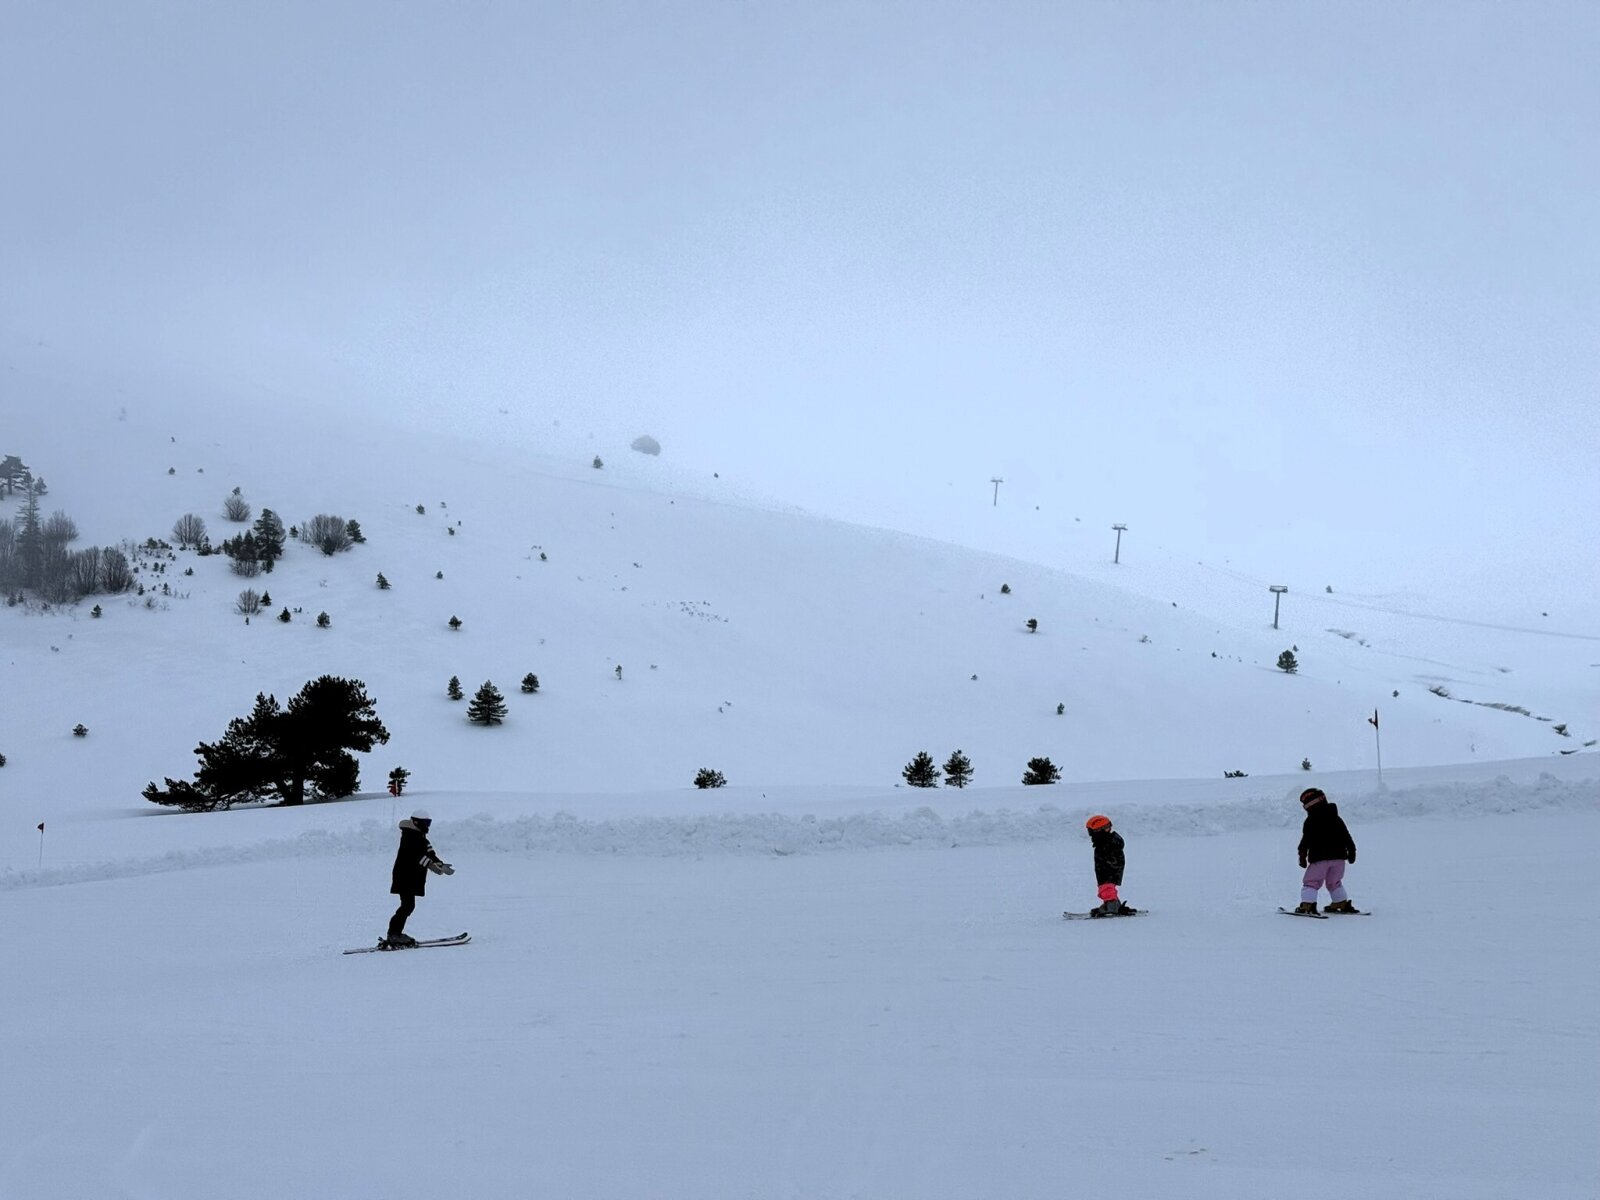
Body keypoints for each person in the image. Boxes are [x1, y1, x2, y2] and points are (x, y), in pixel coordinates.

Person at [385, 809, 454, 947]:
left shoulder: (421, 838)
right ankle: (394, 935)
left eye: (429, 822)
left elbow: (430, 853)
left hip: (412, 876)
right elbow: (415, 856)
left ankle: (395, 933)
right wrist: (432, 866)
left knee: (408, 906)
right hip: (404, 876)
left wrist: (439, 864)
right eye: (426, 822)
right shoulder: (409, 837)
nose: (428, 825)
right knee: (407, 906)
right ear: (416, 822)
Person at [1295, 788, 1358, 914]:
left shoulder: (1310, 821)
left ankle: (1308, 904)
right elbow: (1346, 836)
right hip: (1339, 859)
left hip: (1320, 859)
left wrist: (1302, 854)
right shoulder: (1336, 818)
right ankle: (1340, 902)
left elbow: (1305, 840)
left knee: (1311, 882)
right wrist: (1352, 850)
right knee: (1334, 882)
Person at [1085, 814, 1136, 916]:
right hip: (1106, 869)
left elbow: (1114, 856)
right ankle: (1112, 904)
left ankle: (1112, 906)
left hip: (1108, 869)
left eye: (1091, 832)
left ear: (1099, 831)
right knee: (1106, 887)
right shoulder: (1105, 841)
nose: (1090, 835)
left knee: (1106, 887)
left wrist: (1110, 865)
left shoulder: (1108, 842)